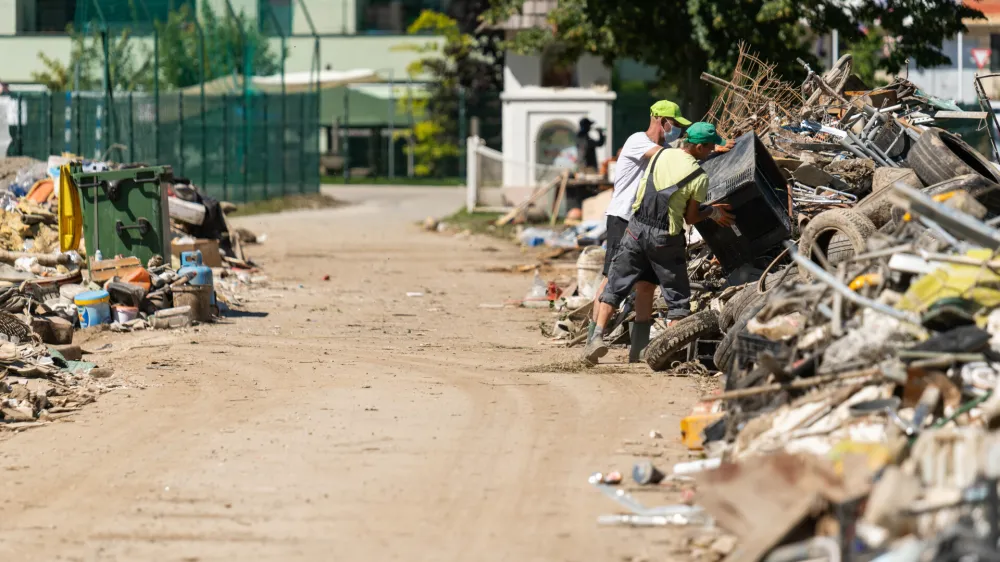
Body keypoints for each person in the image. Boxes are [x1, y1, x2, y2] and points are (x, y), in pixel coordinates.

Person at [584, 122, 735, 365]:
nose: (710, 151)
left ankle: (597, 339)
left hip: (634, 230)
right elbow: (691, 217)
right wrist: (714, 213)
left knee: (616, 286)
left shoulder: (661, 154)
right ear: (698, 147)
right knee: (677, 297)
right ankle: (670, 352)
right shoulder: (699, 176)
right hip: (665, 238)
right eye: (709, 147)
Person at [586, 101, 690, 360]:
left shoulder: (667, 150)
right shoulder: (638, 141)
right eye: (673, 123)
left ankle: (639, 349)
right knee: (613, 278)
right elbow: (666, 158)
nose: (675, 129)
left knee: (646, 285)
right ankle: (592, 340)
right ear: (658, 118)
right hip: (622, 218)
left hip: (646, 223)